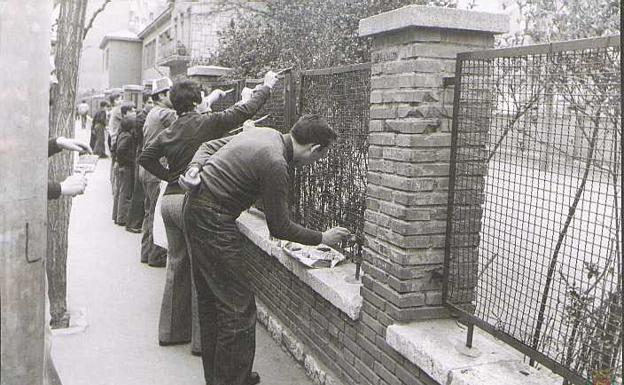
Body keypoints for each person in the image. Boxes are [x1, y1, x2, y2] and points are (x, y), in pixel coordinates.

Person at [180, 114, 351, 385]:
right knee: (238, 309)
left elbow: (209, 146)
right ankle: (232, 380)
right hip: (212, 220)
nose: (314, 163)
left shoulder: (266, 134)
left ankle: (223, 377)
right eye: (320, 157)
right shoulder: (275, 162)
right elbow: (279, 227)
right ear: (314, 149)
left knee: (214, 303)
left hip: (196, 209)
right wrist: (322, 237)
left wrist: (194, 168)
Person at [138, 73, 275, 355]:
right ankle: (202, 343)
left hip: (169, 201)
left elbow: (145, 157)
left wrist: (170, 176)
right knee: (204, 272)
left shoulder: (169, 130)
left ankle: (171, 332)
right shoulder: (208, 122)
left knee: (176, 264)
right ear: (198, 101)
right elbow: (245, 110)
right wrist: (267, 86)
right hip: (193, 201)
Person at [140, 78, 176, 267]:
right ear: (162, 95)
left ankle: (146, 252)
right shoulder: (165, 113)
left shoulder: (153, 112)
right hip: (157, 170)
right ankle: (155, 256)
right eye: (171, 92)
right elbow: (193, 122)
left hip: (147, 171)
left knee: (148, 212)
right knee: (155, 213)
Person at [125, 93, 153, 233]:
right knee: (139, 191)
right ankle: (133, 223)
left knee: (140, 191)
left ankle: (135, 222)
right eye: (149, 102)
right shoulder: (142, 118)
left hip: (141, 153)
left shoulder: (144, 116)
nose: (151, 105)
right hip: (141, 153)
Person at [111, 102, 136, 224]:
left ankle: (116, 216)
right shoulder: (128, 136)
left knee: (119, 192)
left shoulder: (121, 133)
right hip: (125, 167)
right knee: (125, 193)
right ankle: (122, 218)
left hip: (120, 165)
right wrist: (128, 160)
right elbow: (120, 150)